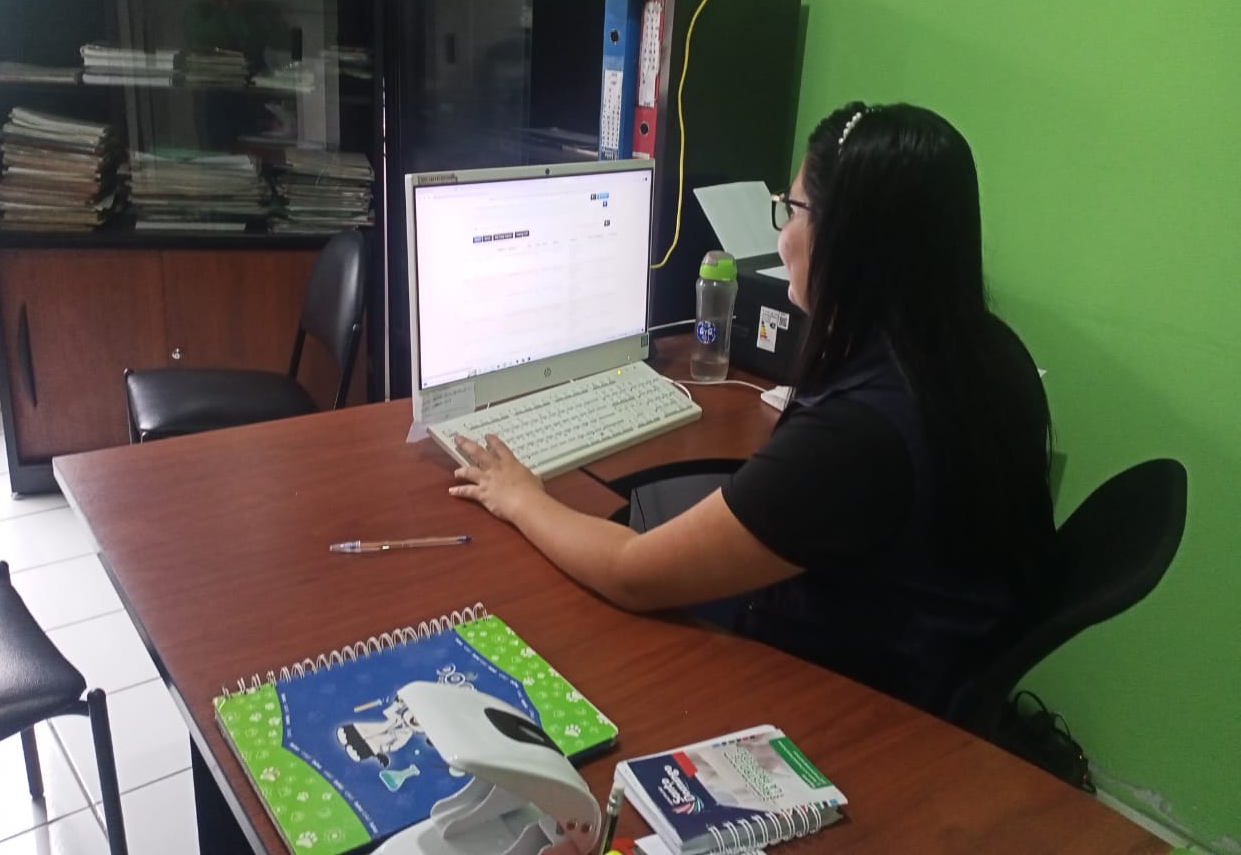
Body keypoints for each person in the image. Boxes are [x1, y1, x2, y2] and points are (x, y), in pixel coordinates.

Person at [447, 102, 1056, 716]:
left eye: (792, 209)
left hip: (848, 696)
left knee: (570, 627)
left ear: (849, 235)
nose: (782, 235)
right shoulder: (987, 352)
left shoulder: (855, 438)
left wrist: (521, 497)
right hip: (913, 652)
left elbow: (632, 573)